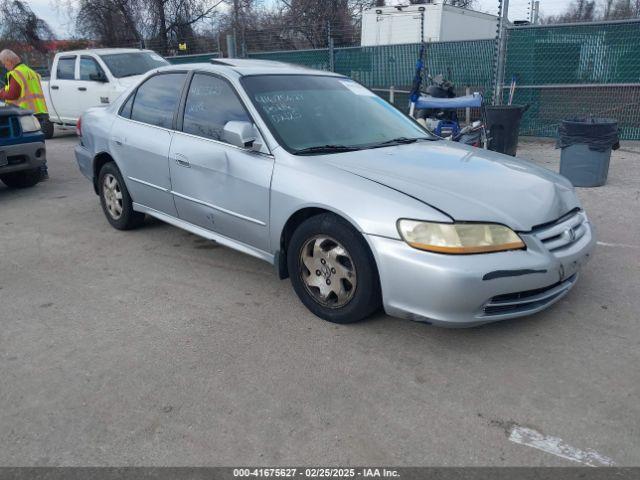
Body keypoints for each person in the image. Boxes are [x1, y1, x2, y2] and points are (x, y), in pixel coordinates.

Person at [0, 49, 50, 179]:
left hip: (23, 113)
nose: (5, 66)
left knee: (31, 142)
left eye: (4, 63)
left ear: (9, 61)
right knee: (39, 141)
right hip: (40, 110)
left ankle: (40, 171)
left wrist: (1, 93)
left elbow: (13, 94)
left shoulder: (15, 73)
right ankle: (43, 171)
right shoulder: (30, 72)